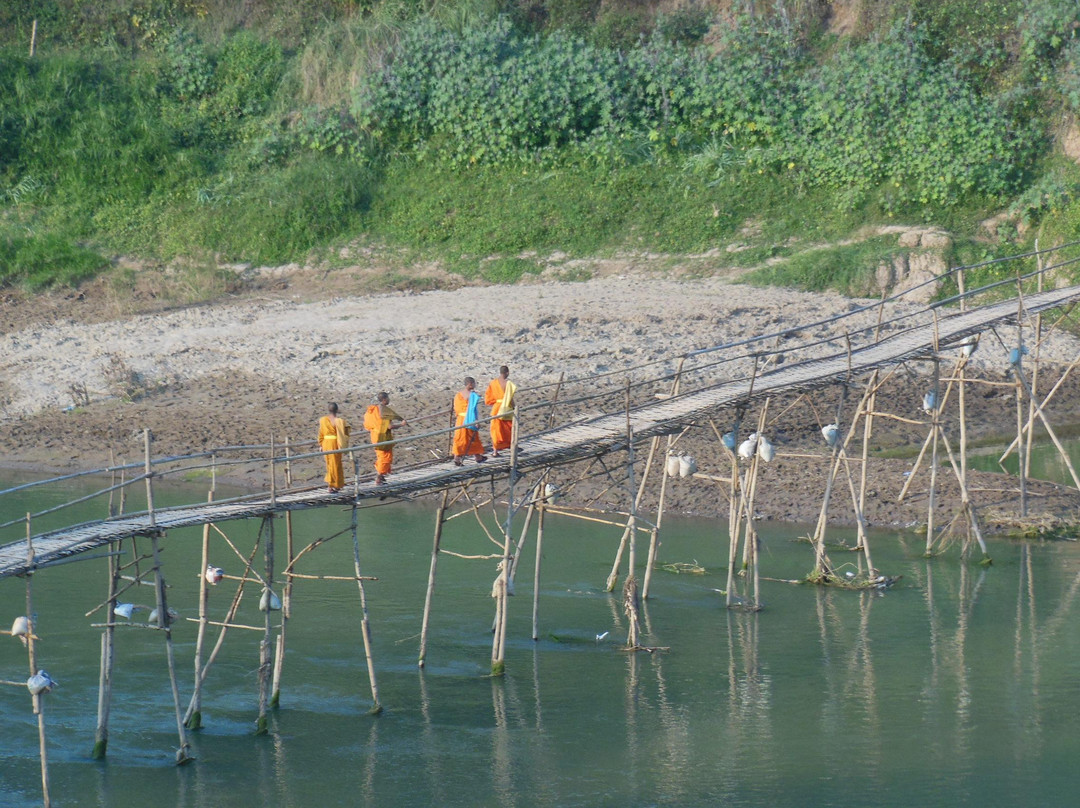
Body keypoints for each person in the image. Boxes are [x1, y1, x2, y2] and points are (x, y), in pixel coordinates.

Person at [364, 392, 406, 484]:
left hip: (374, 436)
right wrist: (401, 425)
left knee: (380, 456)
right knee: (385, 458)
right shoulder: (384, 411)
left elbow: (367, 425)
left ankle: (382, 476)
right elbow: (389, 426)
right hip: (382, 437)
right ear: (384, 399)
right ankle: (379, 477)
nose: (389, 400)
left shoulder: (372, 410)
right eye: (388, 398)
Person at [452, 376, 487, 466]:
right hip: (469, 419)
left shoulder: (458, 395)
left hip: (460, 419)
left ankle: (457, 457)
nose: (475, 385)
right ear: (470, 384)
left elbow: (456, 408)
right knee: (473, 438)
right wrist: (476, 421)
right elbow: (472, 409)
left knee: (460, 438)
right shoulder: (472, 396)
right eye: (474, 383)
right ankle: (478, 457)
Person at [484, 365, 517, 456]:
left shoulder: (493, 383)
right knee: (509, 428)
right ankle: (510, 447)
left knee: (496, 430)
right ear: (507, 372)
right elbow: (510, 398)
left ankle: (495, 451)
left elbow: (488, 397)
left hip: (497, 408)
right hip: (506, 407)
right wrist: (514, 407)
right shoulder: (508, 383)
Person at [318, 403, 350, 492]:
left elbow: (321, 433)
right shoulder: (339, 421)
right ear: (337, 410)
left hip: (326, 443)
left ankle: (336, 484)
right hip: (335, 443)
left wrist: (321, 444)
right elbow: (345, 433)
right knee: (335, 464)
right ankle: (332, 485)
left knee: (330, 464)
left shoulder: (323, 420)